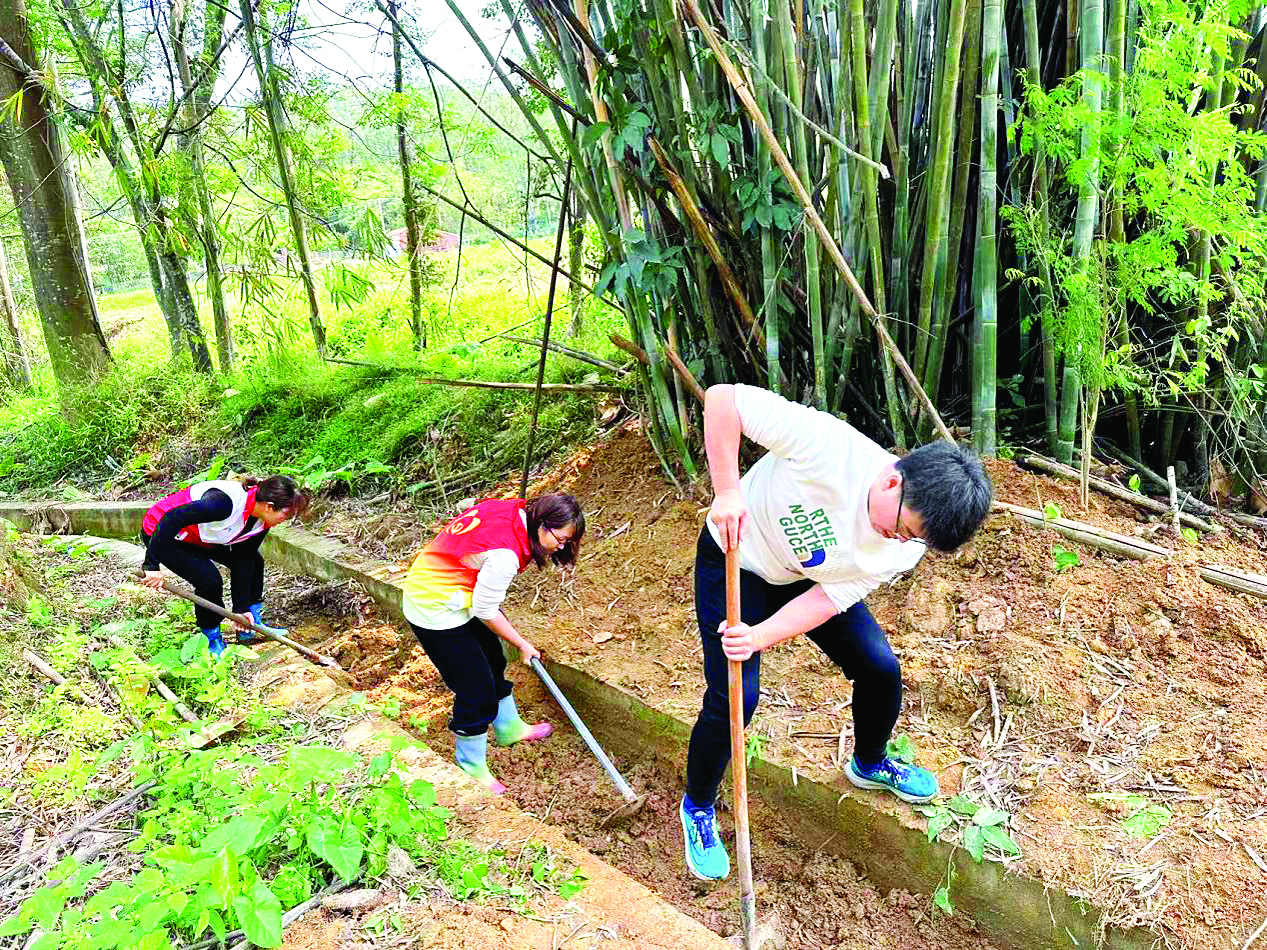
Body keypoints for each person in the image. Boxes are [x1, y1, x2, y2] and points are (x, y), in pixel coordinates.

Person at [679, 384, 993, 881]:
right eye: (907, 528)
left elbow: (828, 600)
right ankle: (697, 806)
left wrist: (760, 636)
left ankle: (869, 762)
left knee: (880, 668)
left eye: (916, 540)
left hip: (807, 577)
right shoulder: (827, 445)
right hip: (738, 557)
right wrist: (728, 492)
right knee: (735, 696)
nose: (904, 542)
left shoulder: (905, 547)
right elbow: (722, 400)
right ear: (894, 483)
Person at [402, 493, 585, 793]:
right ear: (542, 524)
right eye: (561, 539)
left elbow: (474, 509)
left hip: (458, 594)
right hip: (434, 607)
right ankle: (470, 766)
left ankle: (509, 728)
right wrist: (522, 643)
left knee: (493, 659)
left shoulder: (513, 509)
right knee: (476, 690)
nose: (561, 547)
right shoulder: (506, 556)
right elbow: (486, 610)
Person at [140, 475, 309, 657]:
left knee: (254, 562)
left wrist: (240, 609)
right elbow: (172, 518)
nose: (287, 520)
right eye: (286, 514)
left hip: (202, 536)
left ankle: (250, 626)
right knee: (209, 580)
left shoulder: (263, 520)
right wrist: (151, 565)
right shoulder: (222, 504)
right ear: (269, 506)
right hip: (164, 534)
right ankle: (211, 637)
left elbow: (244, 557)